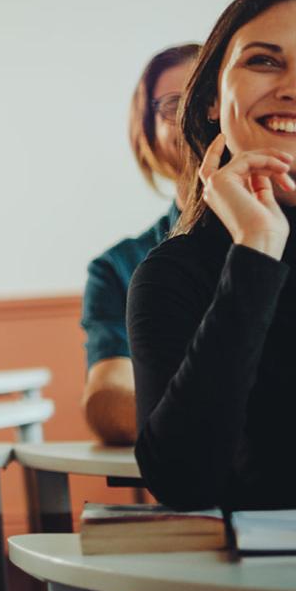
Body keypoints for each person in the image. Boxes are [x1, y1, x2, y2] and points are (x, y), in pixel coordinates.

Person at [129, 0, 296, 514]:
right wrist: (257, 249)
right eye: (264, 61)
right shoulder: (170, 273)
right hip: (246, 584)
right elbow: (182, 482)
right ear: (208, 102)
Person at [81, 44, 201, 446]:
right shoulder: (118, 267)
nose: (198, 116)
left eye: (210, 97)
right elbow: (107, 395)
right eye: (174, 105)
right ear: (146, 129)